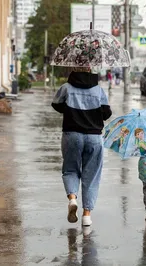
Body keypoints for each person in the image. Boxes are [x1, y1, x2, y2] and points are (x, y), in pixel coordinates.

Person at [52, 67, 112, 226]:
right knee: (91, 175)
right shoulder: (98, 90)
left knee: (70, 169)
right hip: (94, 137)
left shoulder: (66, 88)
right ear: (90, 71)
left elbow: (56, 105)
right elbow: (107, 113)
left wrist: (71, 110)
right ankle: (86, 215)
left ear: (74, 70)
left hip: (72, 135)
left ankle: (72, 198)